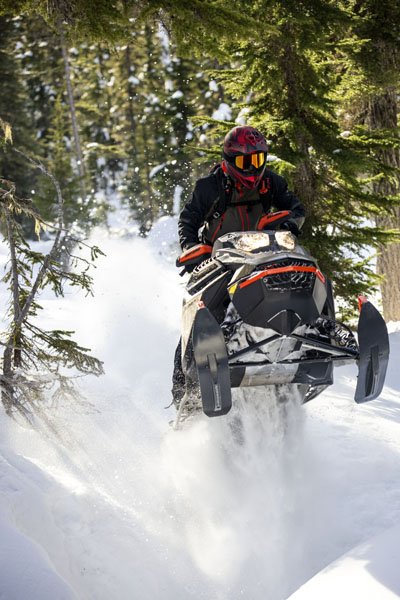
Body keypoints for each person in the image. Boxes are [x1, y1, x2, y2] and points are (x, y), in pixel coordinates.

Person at [172, 125, 306, 404]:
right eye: (246, 161)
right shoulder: (209, 187)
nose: (253, 168)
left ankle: (316, 331)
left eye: (258, 159)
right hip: (219, 260)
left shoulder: (271, 182)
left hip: (262, 256)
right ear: (230, 160)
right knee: (200, 313)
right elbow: (189, 220)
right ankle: (185, 387)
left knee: (301, 271)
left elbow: (296, 208)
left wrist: (288, 223)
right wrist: (192, 248)